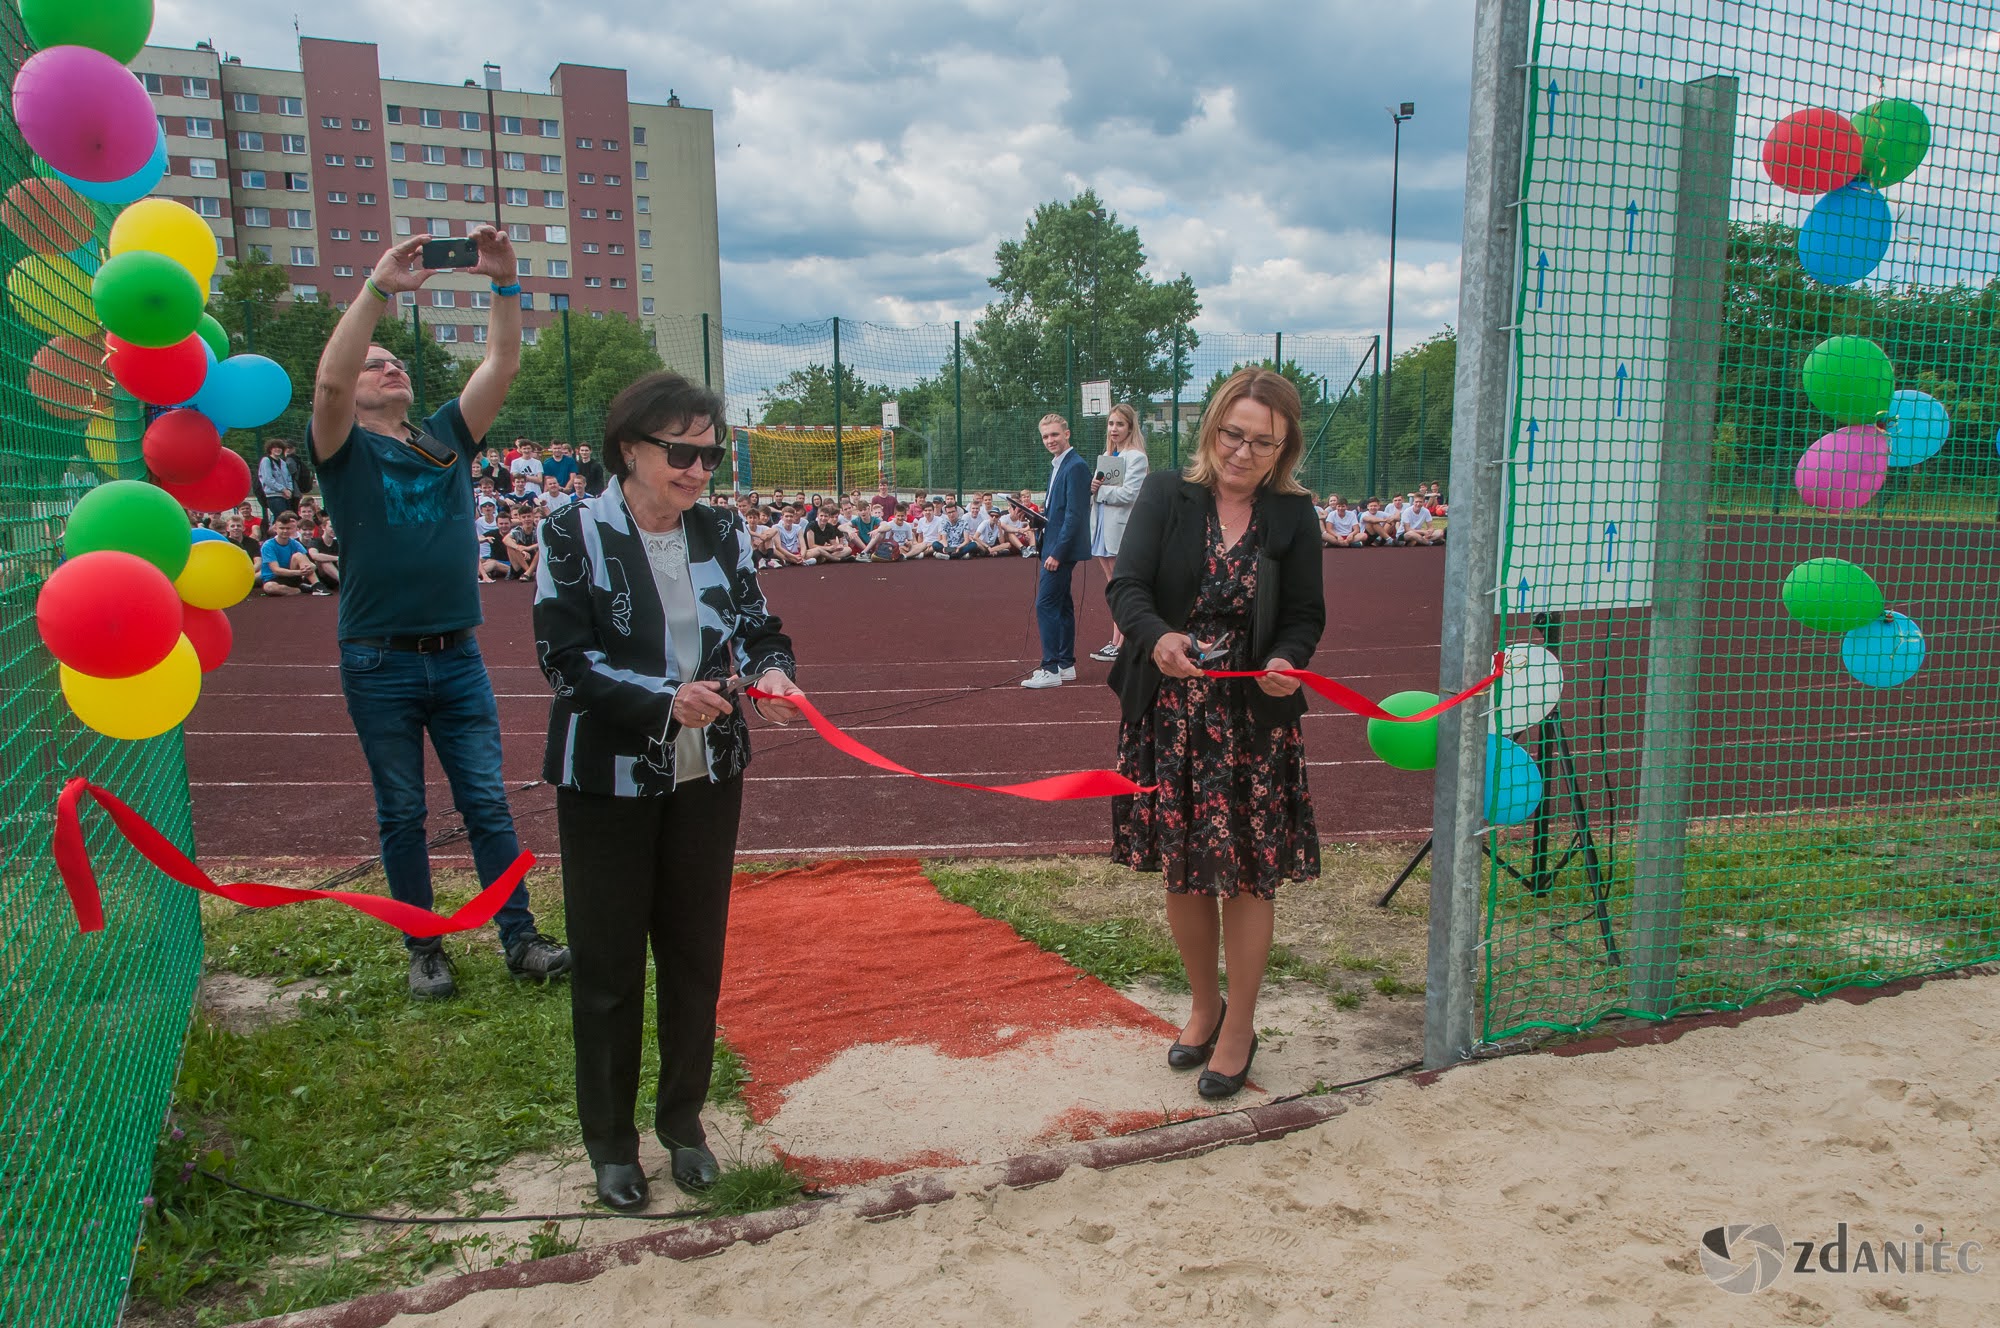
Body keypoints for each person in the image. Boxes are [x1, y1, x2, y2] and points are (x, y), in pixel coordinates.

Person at [532, 371, 805, 1211]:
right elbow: (565, 659)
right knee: (609, 969)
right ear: (630, 449)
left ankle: (682, 1123)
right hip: (607, 778)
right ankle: (612, 1145)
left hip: (709, 773)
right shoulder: (571, 530)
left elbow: (759, 626)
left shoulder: (722, 531)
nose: (698, 471)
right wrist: (662, 702)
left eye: (710, 455)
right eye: (682, 453)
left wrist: (774, 674)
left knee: (694, 957)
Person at [308, 228, 570, 999]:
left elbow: (503, 363)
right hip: (378, 657)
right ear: (354, 388)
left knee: (486, 801)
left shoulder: (447, 438)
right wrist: (379, 288)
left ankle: (518, 938)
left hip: (457, 655)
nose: (389, 367)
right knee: (401, 811)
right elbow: (326, 386)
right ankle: (424, 947)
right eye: (374, 364)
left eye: (397, 363)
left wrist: (507, 284)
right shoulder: (342, 448)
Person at [1105, 367, 1324, 1101]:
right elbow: (1126, 586)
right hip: (1170, 716)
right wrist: (1158, 637)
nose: (1243, 450)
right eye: (1234, 433)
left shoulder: (1293, 516)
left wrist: (1287, 660)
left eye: (1263, 441)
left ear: (1284, 446)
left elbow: (1304, 614)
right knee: (1184, 869)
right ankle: (1205, 1005)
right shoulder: (1169, 494)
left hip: (1253, 724)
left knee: (1250, 877)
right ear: (1213, 428)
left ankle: (1241, 1027)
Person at [1021, 414, 1091, 689]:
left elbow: (1075, 515)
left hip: (1060, 549)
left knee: (1045, 604)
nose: (1050, 440)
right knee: (1061, 604)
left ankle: (1050, 668)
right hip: (1053, 541)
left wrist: (1058, 553)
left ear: (1067, 434)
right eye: (1045, 436)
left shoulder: (1075, 467)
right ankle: (1065, 664)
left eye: (1054, 435)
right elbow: (1058, 512)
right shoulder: (1059, 466)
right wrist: (1035, 518)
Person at [1088, 403, 1151, 662]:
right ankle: (1117, 640)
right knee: (1112, 585)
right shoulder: (1108, 455)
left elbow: (1129, 495)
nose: (1114, 429)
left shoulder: (1136, 457)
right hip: (1102, 527)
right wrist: (1093, 488)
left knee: (1121, 585)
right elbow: (1097, 490)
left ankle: (1124, 640)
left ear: (1130, 427)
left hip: (1120, 529)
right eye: (1111, 424)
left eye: (1120, 424)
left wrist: (1100, 491)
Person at [256, 511, 326, 595]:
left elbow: (307, 562)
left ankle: (317, 586)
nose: (285, 531)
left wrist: (311, 567)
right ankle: (299, 590)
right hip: (273, 578)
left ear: (293, 529)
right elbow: (276, 570)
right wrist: (300, 572)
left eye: (288, 528)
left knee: (298, 555)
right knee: (269, 587)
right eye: (282, 528)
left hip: (292, 576)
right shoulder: (268, 545)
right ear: (275, 529)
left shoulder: (295, 543)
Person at [256, 440, 295, 525]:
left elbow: (289, 478)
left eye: (280, 448)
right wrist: (283, 489)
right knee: (280, 518)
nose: (277, 449)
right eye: (275, 448)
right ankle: (272, 534)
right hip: (273, 495)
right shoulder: (266, 460)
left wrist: (289, 489)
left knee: (287, 518)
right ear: (270, 449)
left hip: (286, 496)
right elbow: (268, 479)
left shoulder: (283, 462)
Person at [505, 506, 542, 579]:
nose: (527, 519)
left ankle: (529, 572)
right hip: (519, 564)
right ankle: (529, 572)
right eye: (524, 517)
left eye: (529, 516)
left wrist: (528, 548)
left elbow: (543, 542)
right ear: (519, 518)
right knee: (511, 546)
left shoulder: (538, 530)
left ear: (533, 516)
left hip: (535, 563)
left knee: (541, 548)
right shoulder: (517, 530)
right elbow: (505, 539)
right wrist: (520, 549)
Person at [307, 514, 341, 591]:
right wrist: (337, 558)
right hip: (319, 577)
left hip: (333, 576)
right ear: (323, 527)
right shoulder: (315, 541)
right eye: (331, 527)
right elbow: (314, 555)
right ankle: (344, 582)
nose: (334, 529)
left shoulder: (338, 543)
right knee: (325, 562)